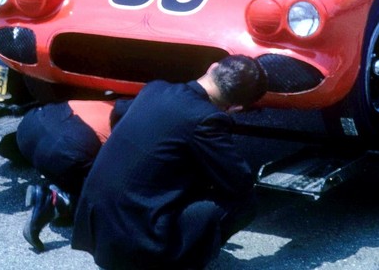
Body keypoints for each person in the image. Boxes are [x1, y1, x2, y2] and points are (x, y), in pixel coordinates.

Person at [71, 55, 268, 270]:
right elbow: (238, 181)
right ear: (236, 108)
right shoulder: (206, 119)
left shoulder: (155, 88)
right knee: (244, 203)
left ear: (212, 67)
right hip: (135, 245)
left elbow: (119, 112)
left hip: (97, 229)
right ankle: (177, 262)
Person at [16, 98, 130, 252]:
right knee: (116, 202)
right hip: (65, 147)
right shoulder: (139, 124)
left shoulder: (120, 101)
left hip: (29, 126)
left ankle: (61, 198)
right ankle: (57, 200)